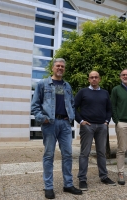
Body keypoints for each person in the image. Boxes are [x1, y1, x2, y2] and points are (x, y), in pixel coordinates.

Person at [31, 58, 82, 199]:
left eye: (62, 66)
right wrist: (43, 118)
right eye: (58, 66)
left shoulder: (67, 86)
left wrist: (70, 117)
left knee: (67, 155)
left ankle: (68, 184)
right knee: (49, 155)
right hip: (50, 124)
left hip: (65, 124)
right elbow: (35, 105)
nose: (60, 68)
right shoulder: (43, 84)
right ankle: (48, 187)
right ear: (53, 68)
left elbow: (71, 103)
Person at [74, 71, 116, 191]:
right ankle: (82, 179)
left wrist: (107, 121)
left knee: (101, 153)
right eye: (91, 77)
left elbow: (109, 109)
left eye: (96, 77)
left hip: (102, 127)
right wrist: (81, 121)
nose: (94, 79)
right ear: (88, 80)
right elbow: (73, 106)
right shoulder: (83, 92)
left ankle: (104, 176)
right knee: (84, 153)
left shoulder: (105, 93)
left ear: (100, 79)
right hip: (87, 126)